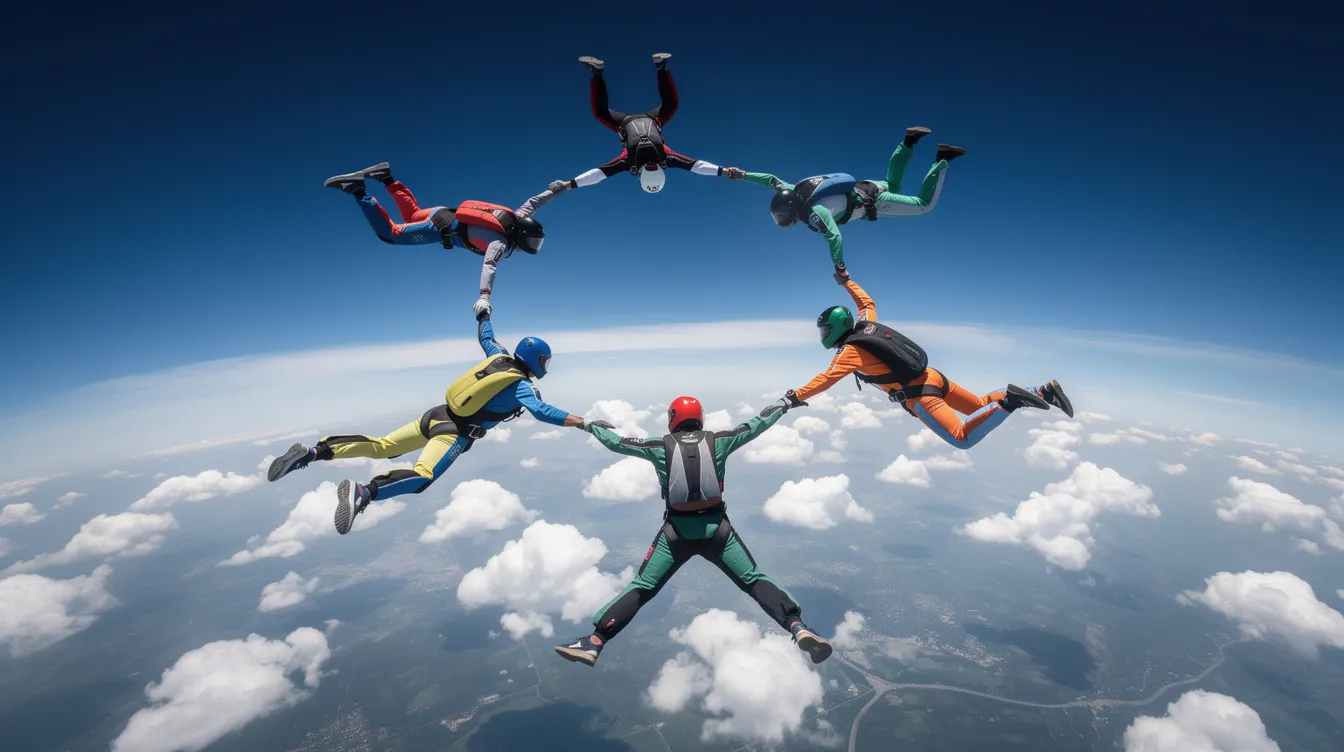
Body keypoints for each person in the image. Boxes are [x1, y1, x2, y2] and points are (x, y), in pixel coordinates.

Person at [554, 397, 833, 668]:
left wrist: (589, 424)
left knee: (642, 588)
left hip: (676, 534)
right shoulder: (719, 440)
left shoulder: (659, 446)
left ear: (672, 419)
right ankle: (797, 626)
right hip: (718, 531)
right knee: (753, 580)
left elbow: (617, 443)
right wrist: (785, 405)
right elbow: (755, 425)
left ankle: (595, 641)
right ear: (699, 418)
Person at [266, 305, 589, 535]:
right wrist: (583, 421)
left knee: (382, 447)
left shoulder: (498, 355)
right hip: (454, 432)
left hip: (434, 415)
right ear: (538, 360)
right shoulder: (520, 385)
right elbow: (542, 412)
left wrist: (483, 311)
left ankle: (313, 452)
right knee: (422, 477)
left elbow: (486, 336)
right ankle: (364, 492)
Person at [775, 269, 1074, 450]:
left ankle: (1012, 400)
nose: (823, 335)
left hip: (922, 396)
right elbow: (867, 303)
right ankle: (1043, 391)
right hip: (935, 377)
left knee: (962, 438)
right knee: (982, 406)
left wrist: (793, 397)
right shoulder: (866, 324)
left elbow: (825, 380)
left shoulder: (850, 351)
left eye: (825, 330)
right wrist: (846, 281)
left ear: (835, 329)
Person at [323, 162, 553, 317]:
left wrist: (561, 188)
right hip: (440, 227)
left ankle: (386, 178)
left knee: (412, 215)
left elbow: (533, 203)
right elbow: (489, 266)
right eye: (532, 244)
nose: (529, 249)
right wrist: (484, 297)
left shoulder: (516, 217)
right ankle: (357, 189)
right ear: (521, 237)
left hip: (444, 212)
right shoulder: (500, 243)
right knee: (390, 235)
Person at [721, 129, 966, 273]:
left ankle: (942, 159)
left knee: (924, 205)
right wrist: (742, 175)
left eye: (784, 219)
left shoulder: (816, 213)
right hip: (865, 186)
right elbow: (771, 180)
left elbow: (834, 236)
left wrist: (840, 267)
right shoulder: (793, 190)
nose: (786, 223)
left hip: (873, 200)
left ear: (792, 210)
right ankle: (909, 142)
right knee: (894, 184)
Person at [546, 53, 725, 196]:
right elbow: (598, 174)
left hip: (653, 120)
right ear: (639, 177)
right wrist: (569, 185)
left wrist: (724, 172)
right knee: (601, 113)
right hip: (628, 123)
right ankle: (598, 74)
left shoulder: (665, 158)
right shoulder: (629, 162)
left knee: (671, 105)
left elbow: (696, 166)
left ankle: (661, 68)